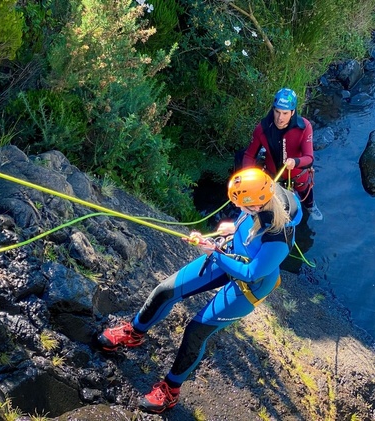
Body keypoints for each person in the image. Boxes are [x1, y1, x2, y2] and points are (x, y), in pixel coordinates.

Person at [97, 168, 302, 414]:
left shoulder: (278, 237)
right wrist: (230, 230)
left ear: (257, 206)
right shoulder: (262, 194)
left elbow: (251, 273)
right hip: (229, 255)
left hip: (249, 285)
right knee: (166, 290)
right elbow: (245, 224)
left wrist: (213, 252)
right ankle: (134, 332)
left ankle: (171, 390)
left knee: (196, 331)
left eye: (242, 206)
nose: (238, 208)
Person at [242, 87, 323, 221]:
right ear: (273, 109)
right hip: (273, 176)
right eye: (277, 112)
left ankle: (310, 206)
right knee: (276, 208)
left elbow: (309, 158)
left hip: (298, 174)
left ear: (292, 112)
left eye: (285, 113)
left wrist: (295, 162)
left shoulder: (304, 127)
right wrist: (248, 178)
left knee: (305, 190)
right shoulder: (262, 129)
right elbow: (249, 155)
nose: (280, 118)